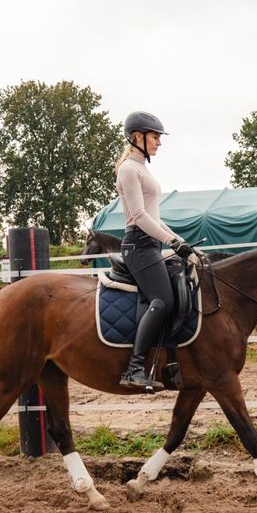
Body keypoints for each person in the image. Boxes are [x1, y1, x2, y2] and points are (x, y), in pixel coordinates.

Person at [114, 111, 193, 391]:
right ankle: (134, 368)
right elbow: (138, 216)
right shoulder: (128, 170)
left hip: (150, 243)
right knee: (163, 300)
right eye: (155, 137)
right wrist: (173, 244)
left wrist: (181, 241)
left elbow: (154, 218)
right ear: (138, 137)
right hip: (138, 245)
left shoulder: (143, 169)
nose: (159, 142)